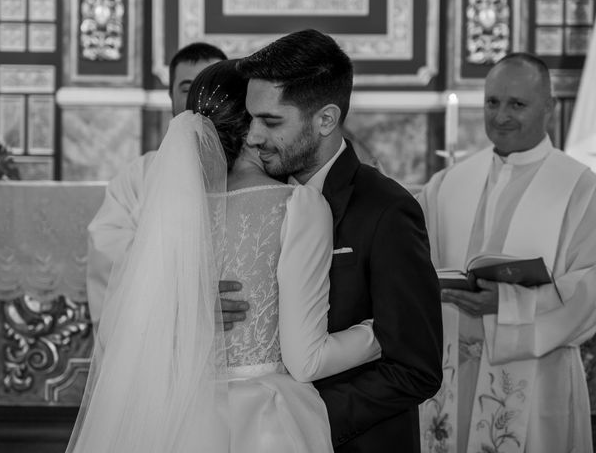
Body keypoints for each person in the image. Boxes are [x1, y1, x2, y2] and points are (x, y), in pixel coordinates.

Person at [66, 59, 384, 452]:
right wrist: (378, 332)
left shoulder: (175, 209)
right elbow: (306, 359)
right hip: (266, 420)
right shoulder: (297, 205)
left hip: (181, 419)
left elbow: (138, 323)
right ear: (252, 129)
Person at [234, 29, 443, 452]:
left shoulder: (386, 210)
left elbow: (415, 367)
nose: (253, 137)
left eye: (271, 121)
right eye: (250, 118)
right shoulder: (250, 201)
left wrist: (296, 418)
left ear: (325, 119)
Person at [417, 53, 596, 453]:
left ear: (548, 106)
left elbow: (589, 288)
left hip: (536, 378)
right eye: (492, 102)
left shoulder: (580, 189)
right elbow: (415, 260)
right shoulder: (447, 183)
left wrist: (508, 303)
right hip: (451, 374)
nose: (500, 116)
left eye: (517, 104)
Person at [85, 42, 226, 326]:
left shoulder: (259, 169)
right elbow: (107, 252)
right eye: (188, 89)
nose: (200, 102)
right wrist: (185, 297)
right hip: (162, 334)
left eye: (211, 88)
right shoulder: (139, 176)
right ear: (170, 95)